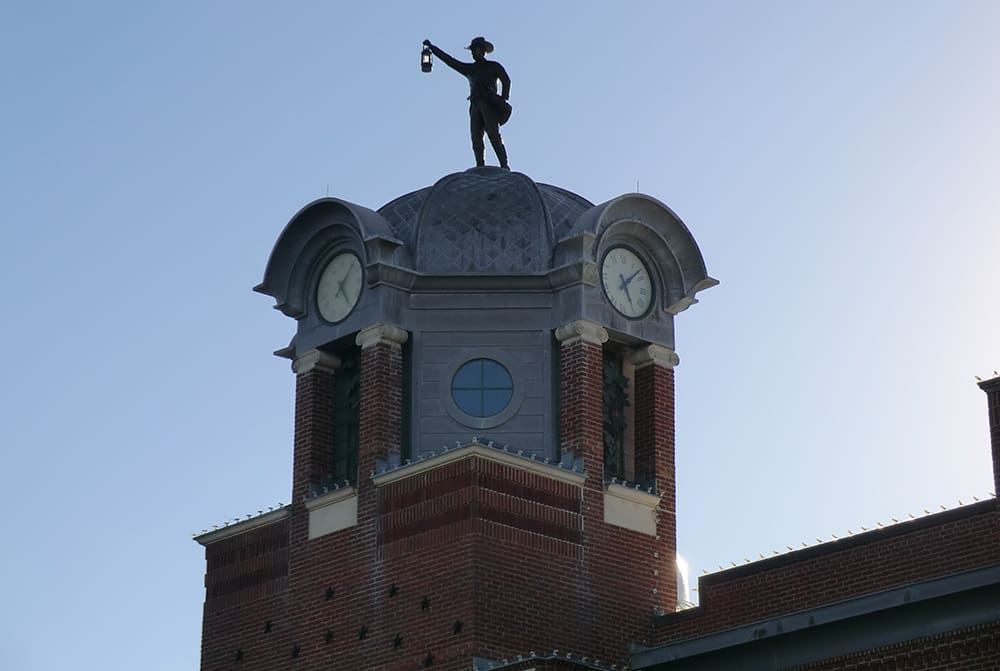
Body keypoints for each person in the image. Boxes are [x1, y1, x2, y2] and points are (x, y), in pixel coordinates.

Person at [423, 37, 511, 170]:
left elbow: (506, 80)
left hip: (488, 103)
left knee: (493, 134)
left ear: (482, 51)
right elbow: (450, 61)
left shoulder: (493, 66)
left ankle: (504, 164)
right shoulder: (470, 69)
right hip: (475, 105)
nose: (473, 53)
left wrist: (503, 99)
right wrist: (433, 48)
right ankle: (480, 165)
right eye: (472, 51)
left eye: (476, 50)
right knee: (476, 137)